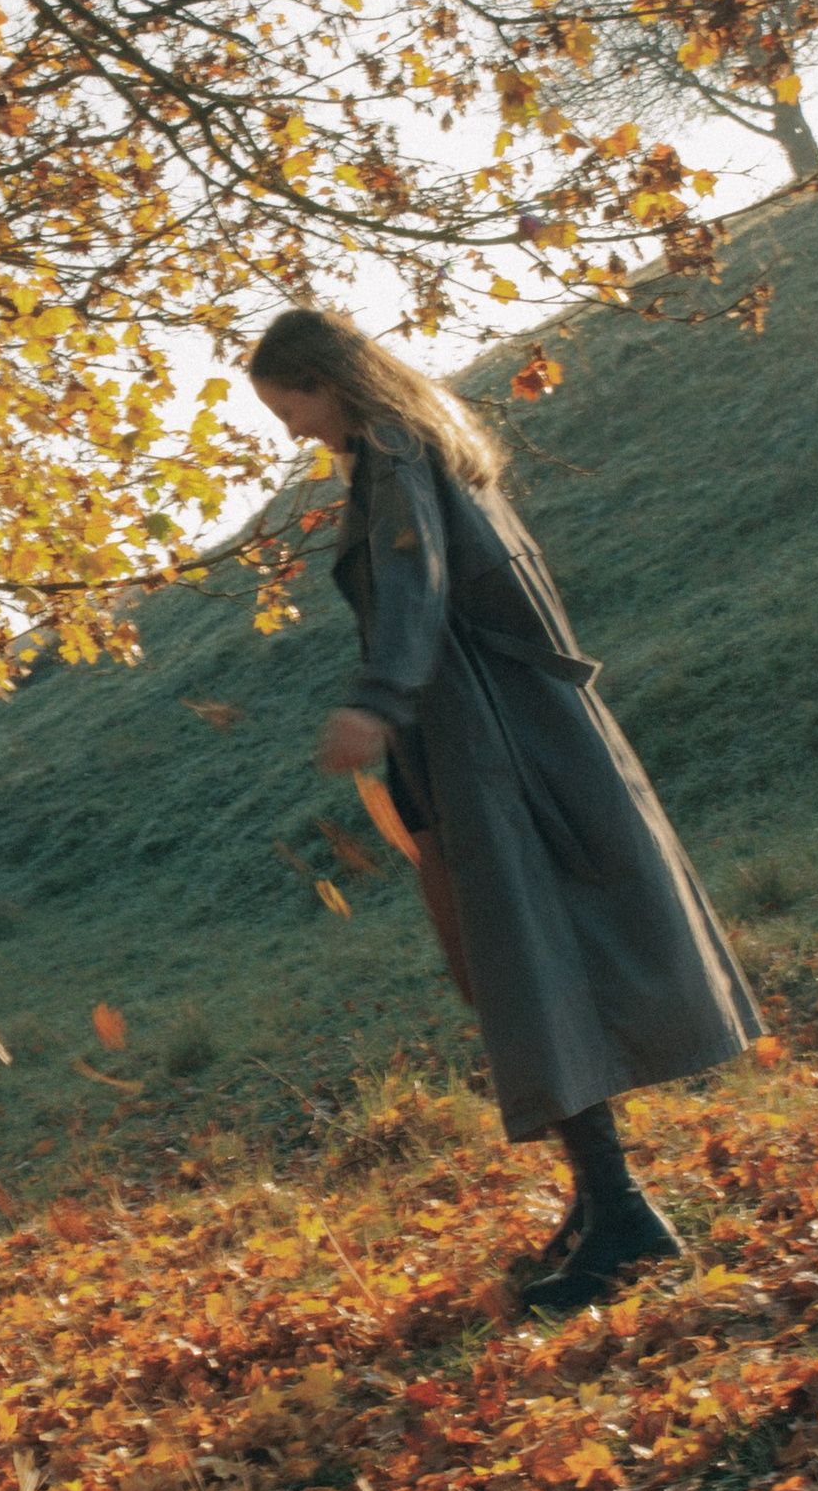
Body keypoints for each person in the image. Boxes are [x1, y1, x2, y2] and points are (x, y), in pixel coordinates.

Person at [245, 306, 760, 1314]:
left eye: (290, 405)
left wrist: (374, 701)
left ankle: (622, 1216)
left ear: (327, 380)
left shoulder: (394, 454)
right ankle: (600, 1198)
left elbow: (414, 587)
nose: (291, 430)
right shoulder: (417, 445)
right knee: (519, 955)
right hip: (491, 730)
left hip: (488, 738)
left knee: (524, 955)